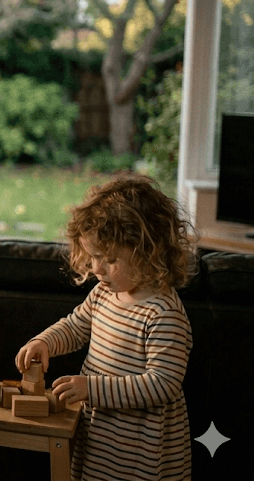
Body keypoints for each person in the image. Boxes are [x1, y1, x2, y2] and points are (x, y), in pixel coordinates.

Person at [15, 173, 195, 480]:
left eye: (109, 259)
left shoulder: (164, 314)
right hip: (99, 434)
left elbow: (163, 384)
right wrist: (44, 341)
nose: (97, 269)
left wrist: (92, 389)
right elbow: (75, 327)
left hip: (140, 448)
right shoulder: (103, 294)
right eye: (94, 257)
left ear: (148, 252)